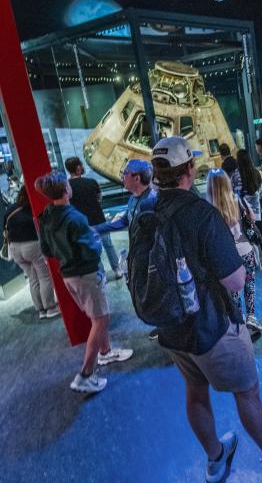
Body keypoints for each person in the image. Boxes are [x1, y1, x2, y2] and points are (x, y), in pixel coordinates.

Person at [147, 136, 262, 482]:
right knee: (247, 393)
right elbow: (236, 281)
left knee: (194, 391)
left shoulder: (145, 211)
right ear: (188, 169)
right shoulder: (201, 214)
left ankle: (216, 458)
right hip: (212, 326)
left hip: (172, 327)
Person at [35, 172, 133, 394]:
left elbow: (47, 250)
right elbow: (91, 250)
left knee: (96, 316)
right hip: (86, 274)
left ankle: (106, 352)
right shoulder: (76, 218)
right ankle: (86, 374)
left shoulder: (46, 216)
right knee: (101, 318)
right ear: (65, 190)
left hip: (68, 275)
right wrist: (96, 242)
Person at [93, 159, 159, 340]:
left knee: (154, 293)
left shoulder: (151, 200)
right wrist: (97, 229)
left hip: (151, 259)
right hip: (139, 256)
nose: (122, 177)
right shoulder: (134, 199)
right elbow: (124, 222)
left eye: (126, 173)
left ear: (136, 177)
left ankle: (166, 327)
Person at [206, 169, 262, 335]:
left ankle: (239, 320)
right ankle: (251, 317)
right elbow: (252, 218)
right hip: (246, 250)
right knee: (250, 284)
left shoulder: (209, 210)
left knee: (233, 291)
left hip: (228, 256)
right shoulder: (237, 200)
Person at [5, 186, 59, 319]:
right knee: (44, 276)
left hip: (15, 248)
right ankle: (50, 308)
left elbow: (4, 229)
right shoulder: (33, 209)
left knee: (32, 278)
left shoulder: (11, 209)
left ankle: (41, 310)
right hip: (32, 246)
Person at [64, 157, 122, 279]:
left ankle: (101, 275)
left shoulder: (67, 187)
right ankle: (117, 269)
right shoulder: (92, 182)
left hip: (83, 224)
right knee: (108, 245)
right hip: (99, 219)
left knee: (93, 251)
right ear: (78, 168)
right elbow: (99, 199)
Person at [236, 148, 262, 269]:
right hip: (257, 211)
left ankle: (255, 261)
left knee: (248, 237)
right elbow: (261, 191)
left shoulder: (237, 176)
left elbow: (237, 195)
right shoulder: (256, 173)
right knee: (260, 234)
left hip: (244, 213)